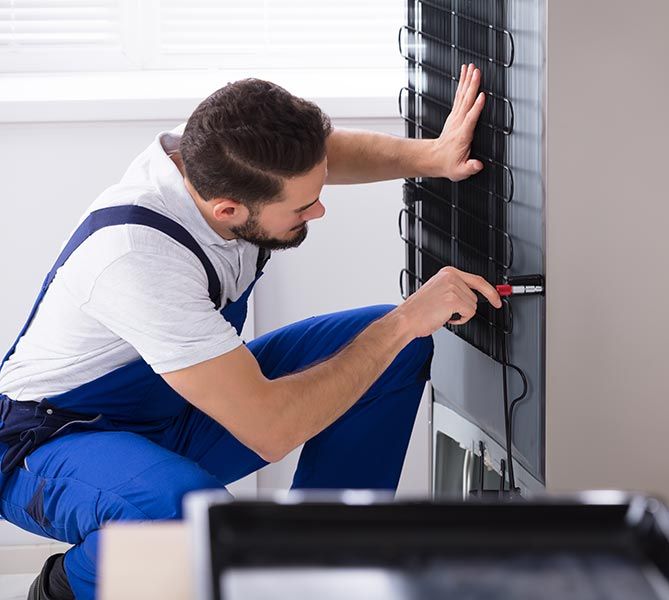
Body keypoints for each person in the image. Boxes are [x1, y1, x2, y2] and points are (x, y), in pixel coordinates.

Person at [0, 64, 501, 600]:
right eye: (302, 207)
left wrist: (434, 156)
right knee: (188, 518)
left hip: (174, 408)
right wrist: (406, 317)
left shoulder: (218, 158)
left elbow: (324, 154)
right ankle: (65, 589)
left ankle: (317, 573)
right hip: (54, 442)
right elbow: (271, 430)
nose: (320, 208)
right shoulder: (136, 260)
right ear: (229, 210)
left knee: (396, 354)